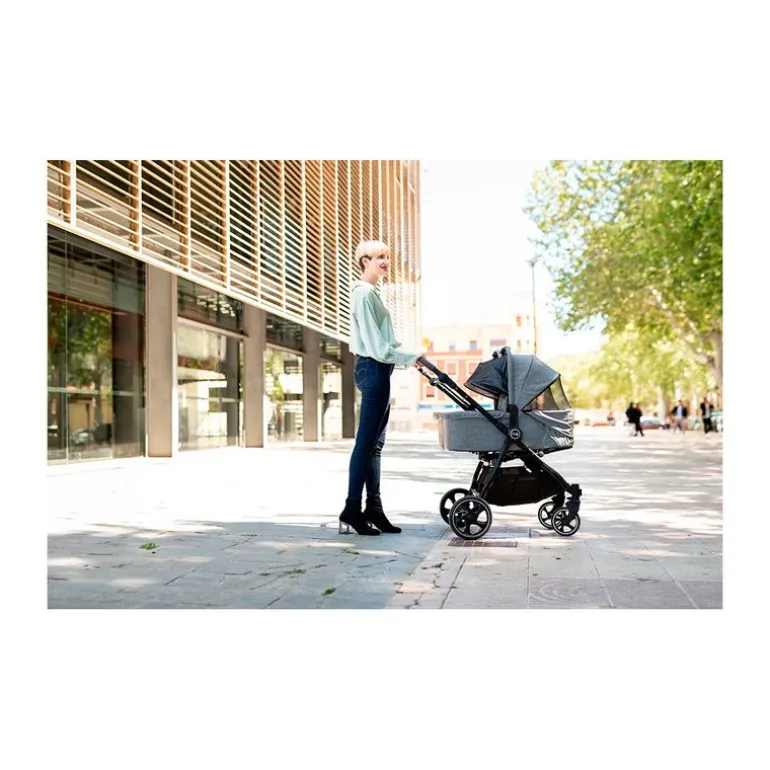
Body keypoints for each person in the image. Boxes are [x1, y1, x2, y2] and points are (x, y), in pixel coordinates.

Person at [338, 240, 423, 536]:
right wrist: (411, 357)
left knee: (375, 446)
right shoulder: (362, 294)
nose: (386, 261)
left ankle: (373, 508)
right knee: (365, 444)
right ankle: (352, 509)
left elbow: (385, 344)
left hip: (379, 370)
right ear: (365, 261)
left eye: (387, 256)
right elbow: (377, 346)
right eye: (379, 257)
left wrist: (406, 356)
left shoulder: (373, 293)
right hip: (372, 368)